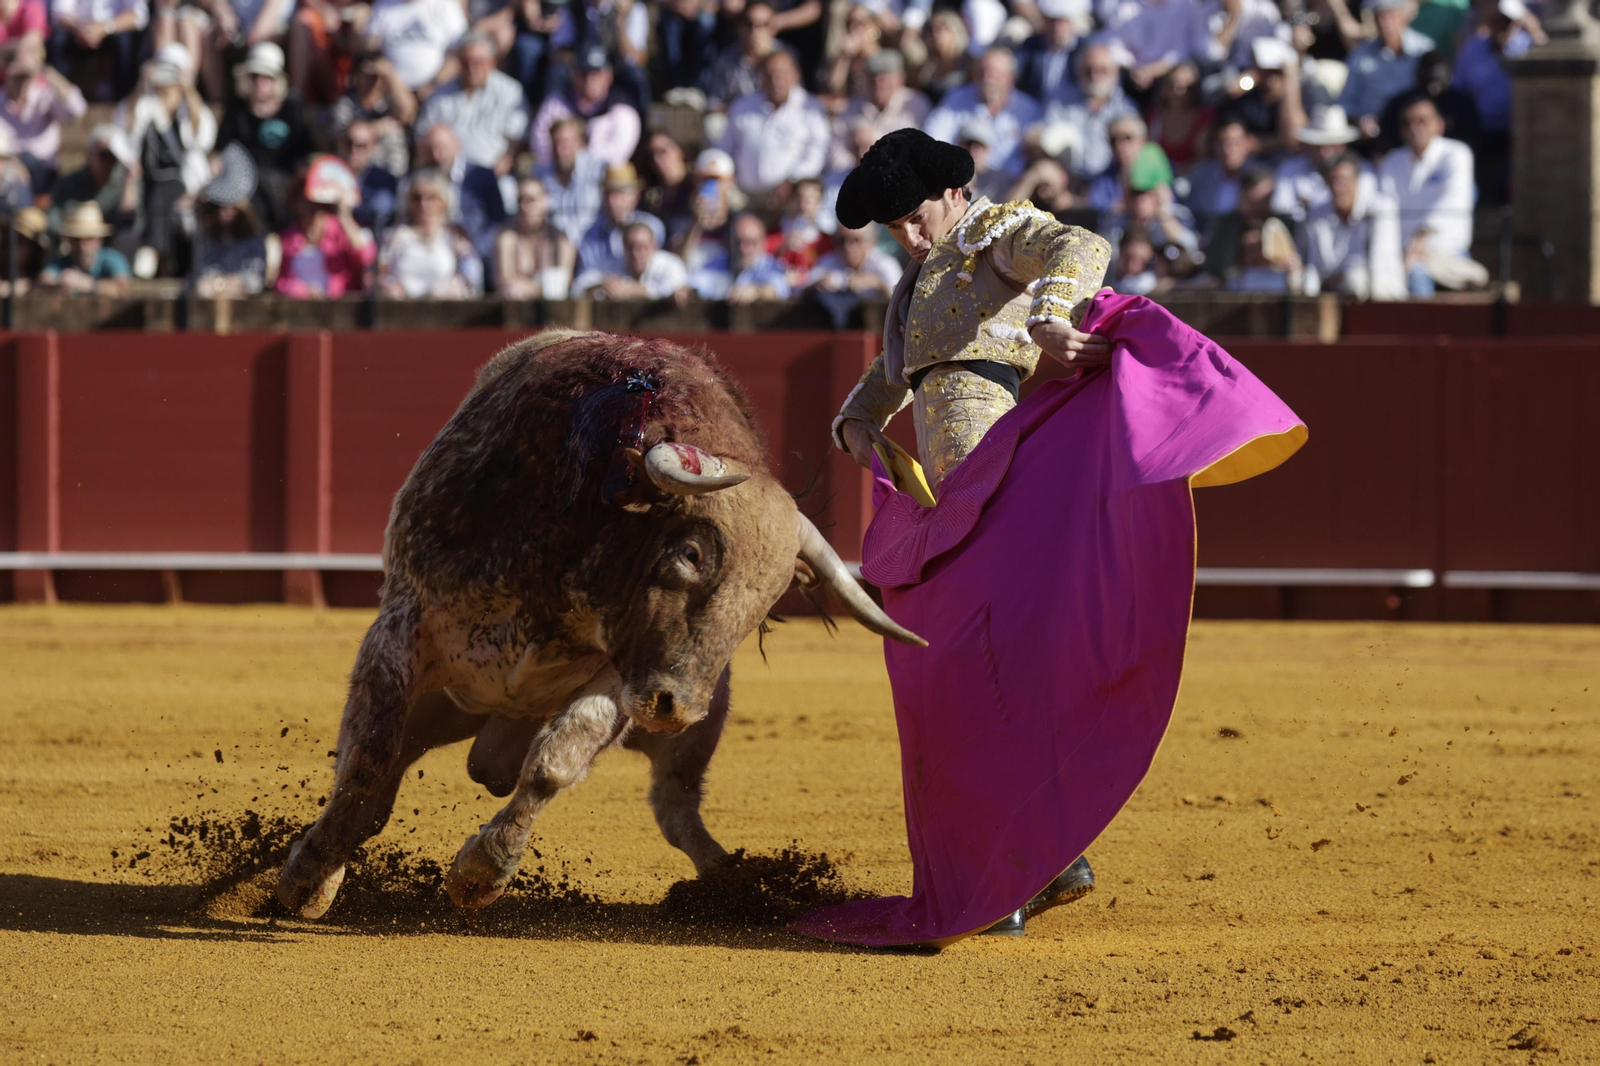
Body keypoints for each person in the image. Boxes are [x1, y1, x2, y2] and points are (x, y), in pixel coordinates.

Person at [806, 128, 1292, 949]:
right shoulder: (921, 280)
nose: (910, 237)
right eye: (894, 228)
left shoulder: (998, 234)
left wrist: (1050, 318)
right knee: (957, 676)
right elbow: (903, 371)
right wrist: (857, 418)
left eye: (915, 217)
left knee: (992, 674)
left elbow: (1083, 242)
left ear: (955, 192)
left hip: (1013, 493)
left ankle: (1016, 874)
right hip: (957, 504)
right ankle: (1046, 860)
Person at [121, 46, 216, 277]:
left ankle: (153, 251)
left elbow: (201, 137)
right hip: (149, 186)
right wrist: (140, 85)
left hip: (186, 187)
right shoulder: (146, 104)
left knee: (168, 189)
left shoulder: (190, 107)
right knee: (161, 192)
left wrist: (189, 89)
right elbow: (125, 130)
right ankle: (157, 255)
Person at [1377, 92, 1481, 294]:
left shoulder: (1457, 154)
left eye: (1422, 121)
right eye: (1407, 123)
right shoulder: (1392, 161)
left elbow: (1451, 202)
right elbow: (1384, 208)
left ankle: (1421, 326)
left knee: (1416, 273)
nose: (1415, 128)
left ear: (1439, 125)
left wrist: (1417, 244)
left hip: (1447, 251)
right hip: (1399, 252)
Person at [216, 42, 314, 232]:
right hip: (243, 187)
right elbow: (221, 150)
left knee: (266, 181)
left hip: (283, 185)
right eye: (255, 76)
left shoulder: (291, 110)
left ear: (278, 80)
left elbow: (304, 153)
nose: (260, 82)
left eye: (266, 77)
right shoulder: (236, 110)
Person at [718, 48, 830, 203]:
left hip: (791, 197)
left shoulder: (810, 108)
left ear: (796, 74)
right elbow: (724, 148)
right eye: (770, 73)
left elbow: (818, 152)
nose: (776, 79)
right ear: (761, 76)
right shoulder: (742, 106)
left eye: (782, 72)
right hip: (745, 196)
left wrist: (793, 179)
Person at [414, 31, 528, 175]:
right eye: (465, 62)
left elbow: (516, 139)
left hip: (491, 172)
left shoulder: (511, 92)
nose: (471, 68)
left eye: (477, 62)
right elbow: (422, 135)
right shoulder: (439, 95)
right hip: (445, 172)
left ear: (491, 63)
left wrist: (503, 165)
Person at [923, 47, 1042, 179]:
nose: (987, 78)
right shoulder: (956, 97)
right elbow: (933, 137)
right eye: (981, 72)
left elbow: (1033, 153)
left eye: (994, 73)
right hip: (962, 178)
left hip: (1011, 185)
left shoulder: (1029, 109)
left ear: (1010, 79)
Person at [1299, 150, 1403, 298]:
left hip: (1380, 298)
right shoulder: (1317, 214)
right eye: (1332, 181)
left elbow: (1378, 266)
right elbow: (1313, 267)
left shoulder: (1382, 209)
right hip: (1330, 295)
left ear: (1357, 181)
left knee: (1355, 279)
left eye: (1343, 180)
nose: (1338, 188)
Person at [528, 43, 640, 169]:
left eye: (596, 73)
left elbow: (618, 156)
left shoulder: (622, 110)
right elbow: (539, 142)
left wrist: (582, 163)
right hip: (559, 174)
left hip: (602, 181)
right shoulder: (555, 103)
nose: (589, 80)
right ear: (573, 74)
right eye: (584, 73)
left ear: (608, 76)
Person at [274, 159, 375, 297]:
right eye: (303, 198)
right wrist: (305, 292)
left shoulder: (339, 229)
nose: (309, 204)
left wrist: (345, 216)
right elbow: (281, 283)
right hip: (298, 310)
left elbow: (366, 257)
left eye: (313, 198)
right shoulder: (287, 236)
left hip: (339, 310)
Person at [378, 168, 484, 298]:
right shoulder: (395, 236)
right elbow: (379, 274)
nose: (423, 204)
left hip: (446, 310)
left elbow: (473, 276)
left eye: (431, 198)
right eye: (417, 198)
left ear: (443, 201)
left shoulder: (455, 236)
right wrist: (390, 288)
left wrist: (453, 288)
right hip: (401, 311)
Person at [412, 122, 506, 268]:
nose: (436, 155)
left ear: (456, 144)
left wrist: (473, 250)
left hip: (475, 249)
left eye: (441, 148)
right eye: (430, 150)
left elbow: (497, 222)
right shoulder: (421, 177)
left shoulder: (482, 176)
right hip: (433, 248)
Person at [1038, 43, 1136, 180]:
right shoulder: (1059, 103)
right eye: (1088, 70)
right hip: (1065, 179)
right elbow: (1045, 140)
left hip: (1110, 183)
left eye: (1102, 70)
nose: (1095, 76)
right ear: (1078, 72)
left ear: (1116, 73)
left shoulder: (1127, 109)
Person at [0, 39, 86, 193]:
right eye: (18, 75)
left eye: (27, 75)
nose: (22, 82)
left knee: (24, 165)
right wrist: (11, 164)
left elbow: (78, 109)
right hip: (7, 171)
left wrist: (44, 70)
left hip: (43, 172)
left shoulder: (45, 96)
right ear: (6, 72)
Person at [1338, 0, 1432, 140]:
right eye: (1379, 16)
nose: (1384, 22)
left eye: (1390, 15)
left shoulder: (1424, 50)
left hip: (1413, 135)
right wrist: (1360, 121)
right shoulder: (1360, 54)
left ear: (1403, 16)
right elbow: (1345, 103)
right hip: (1372, 138)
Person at [827, 49, 929, 174]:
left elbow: (923, 151)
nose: (878, 83)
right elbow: (836, 156)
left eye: (884, 78)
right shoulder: (851, 108)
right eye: (872, 77)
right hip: (858, 178)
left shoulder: (916, 105)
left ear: (900, 78)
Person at [171, 0, 293, 102]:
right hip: (238, 30)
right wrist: (224, 15)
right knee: (209, 34)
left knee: (263, 49)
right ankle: (218, 104)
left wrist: (254, 33)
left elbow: (272, 10)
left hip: (272, 28)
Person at [192, 143, 271, 297]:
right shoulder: (206, 235)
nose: (225, 212)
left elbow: (255, 280)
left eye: (232, 207)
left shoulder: (254, 236)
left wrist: (221, 285)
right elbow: (202, 277)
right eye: (220, 206)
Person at [324, 49, 416, 180]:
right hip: (353, 173)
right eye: (368, 75)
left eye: (378, 75)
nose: (373, 80)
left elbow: (407, 114)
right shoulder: (346, 103)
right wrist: (375, 128)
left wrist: (391, 75)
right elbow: (340, 136)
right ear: (356, 75)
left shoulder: (388, 104)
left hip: (391, 175)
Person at [48, 122, 138, 252]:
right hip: (74, 249)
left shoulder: (124, 184)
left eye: (114, 158)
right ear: (89, 154)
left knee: (128, 239)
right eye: (104, 155)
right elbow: (53, 214)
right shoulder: (70, 183)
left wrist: (130, 188)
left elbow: (131, 225)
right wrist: (64, 235)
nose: (109, 163)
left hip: (109, 252)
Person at [1270, 103, 1365, 222]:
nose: (1326, 152)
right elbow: (1281, 213)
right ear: (1310, 144)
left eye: (1333, 145)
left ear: (1344, 145)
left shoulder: (1363, 172)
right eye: (1319, 145)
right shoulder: (1289, 170)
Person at [575, 161, 664, 278]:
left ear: (635, 196)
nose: (613, 202)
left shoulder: (652, 226)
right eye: (608, 194)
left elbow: (658, 271)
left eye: (619, 193)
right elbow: (584, 277)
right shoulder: (590, 233)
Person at [363, 0, 468, 100]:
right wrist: (396, 86)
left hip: (437, 90)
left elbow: (460, 52)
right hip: (390, 91)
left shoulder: (444, 4)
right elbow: (370, 49)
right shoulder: (383, 5)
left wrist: (433, 85)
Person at [805, 220, 899, 327]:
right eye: (842, 240)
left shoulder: (885, 265)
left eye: (856, 240)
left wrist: (878, 284)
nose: (848, 247)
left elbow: (901, 303)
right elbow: (801, 292)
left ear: (871, 241)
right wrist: (820, 285)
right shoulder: (827, 262)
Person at [48, 0, 147, 100]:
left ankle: (122, 101)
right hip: (78, 30)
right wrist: (79, 28)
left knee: (124, 42)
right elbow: (59, 12)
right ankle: (60, 100)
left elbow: (139, 15)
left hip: (114, 29)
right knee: (59, 40)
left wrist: (105, 27)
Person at [494, 174, 574, 298]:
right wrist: (543, 287)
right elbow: (504, 281)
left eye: (531, 200)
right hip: (516, 310)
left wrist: (532, 289)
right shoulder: (507, 238)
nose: (524, 207)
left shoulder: (561, 241)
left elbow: (564, 284)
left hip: (553, 312)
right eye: (520, 200)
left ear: (545, 202)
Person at [705, 0, 795, 109]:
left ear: (773, 28)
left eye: (763, 25)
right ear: (739, 27)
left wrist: (768, 60)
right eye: (749, 24)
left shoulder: (787, 57)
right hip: (739, 120)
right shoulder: (725, 59)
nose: (755, 31)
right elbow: (715, 103)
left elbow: (796, 99)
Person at [570, 217, 689, 299]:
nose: (637, 253)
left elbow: (675, 289)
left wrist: (631, 290)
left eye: (643, 247)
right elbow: (578, 286)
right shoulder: (614, 263)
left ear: (654, 247)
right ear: (623, 247)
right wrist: (601, 285)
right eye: (631, 247)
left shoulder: (670, 264)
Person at [1179, 114, 1254, 236]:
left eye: (1235, 143)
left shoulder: (1260, 175)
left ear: (1248, 143)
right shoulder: (1201, 175)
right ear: (1214, 145)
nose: (1228, 149)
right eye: (1222, 143)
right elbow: (1193, 216)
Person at [39, 200, 131, 295]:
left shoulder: (113, 259)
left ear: (100, 239)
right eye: (77, 239)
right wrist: (58, 286)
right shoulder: (59, 263)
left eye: (88, 238)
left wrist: (88, 285)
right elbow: (44, 281)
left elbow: (123, 289)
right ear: (69, 240)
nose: (82, 246)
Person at [1015, 0, 1088, 107]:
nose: (1058, 27)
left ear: (1072, 21)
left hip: (1071, 108)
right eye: (1052, 20)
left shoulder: (1084, 49)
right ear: (1044, 20)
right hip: (1035, 107)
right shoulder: (1031, 46)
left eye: (1063, 21)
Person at [1145, 62, 1212, 170]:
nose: (1179, 92)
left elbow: (1202, 158)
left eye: (1187, 87)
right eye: (1172, 85)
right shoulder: (1152, 118)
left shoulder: (1204, 118)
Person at [338, 118, 399, 233]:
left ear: (373, 147)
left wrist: (345, 209)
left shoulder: (385, 180)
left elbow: (379, 213)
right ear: (340, 143)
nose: (353, 150)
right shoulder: (328, 172)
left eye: (361, 145)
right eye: (349, 143)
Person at [723, 210, 789, 302]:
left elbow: (778, 288)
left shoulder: (771, 265)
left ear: (763, 242)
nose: (743, 248)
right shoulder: (719, 261)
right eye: (738, 241)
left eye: (751, 242)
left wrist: (757, 292)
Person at [911, 9, 968, 104]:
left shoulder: (969, 67)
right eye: (929, 29)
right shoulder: (924, 70)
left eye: (939, 28)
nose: (933, 34)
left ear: (954, 31)